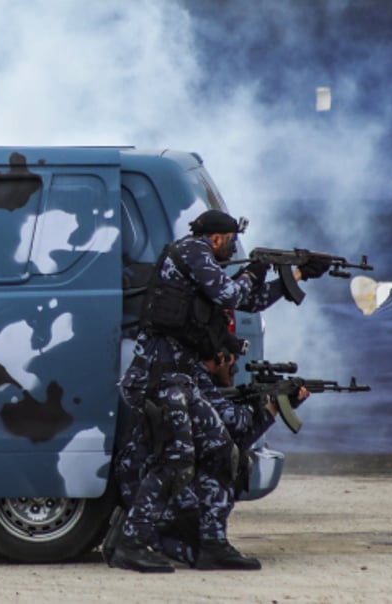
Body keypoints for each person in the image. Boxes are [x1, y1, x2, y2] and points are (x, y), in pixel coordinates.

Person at [109, 209, 328, 573]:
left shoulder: (201, 264)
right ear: (215, 238)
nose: (232, 248)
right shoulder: (193, 250)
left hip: (184, 377)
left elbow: (250, 301)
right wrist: (257, 269)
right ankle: (130, 544)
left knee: (224, 451)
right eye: (230, 241)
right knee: (175, 459)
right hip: (161, 377)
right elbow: (231, 293)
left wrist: (297, 274)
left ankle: (211, 544)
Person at [108, 333, 306, 570]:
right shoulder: (193, 379)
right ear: (220, 357)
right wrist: (272, 407)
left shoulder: (188, 377)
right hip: (146, 479)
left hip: (145, 480)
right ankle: (133, 535)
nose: (232, 375)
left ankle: (138, 531)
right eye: (232, 368)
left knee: (198, 551)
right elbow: (236, 427)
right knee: (229, 460)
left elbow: (235, 435)